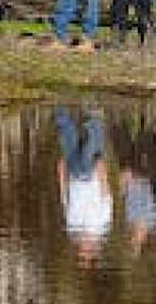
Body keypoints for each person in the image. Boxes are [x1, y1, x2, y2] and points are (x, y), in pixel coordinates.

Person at [55, 106, 112, 268]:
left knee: (67, 137)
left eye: (81, 253)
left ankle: (61, 107)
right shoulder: (101, 226)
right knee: (90, 153)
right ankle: (93, 118)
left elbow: (64, 198)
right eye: (86, 253)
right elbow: (106, 195)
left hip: (73, 173)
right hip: (90, 174)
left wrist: (60, 174)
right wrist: (102, 171)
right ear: (94, 250)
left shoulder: (72, 226)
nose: (83, 249)